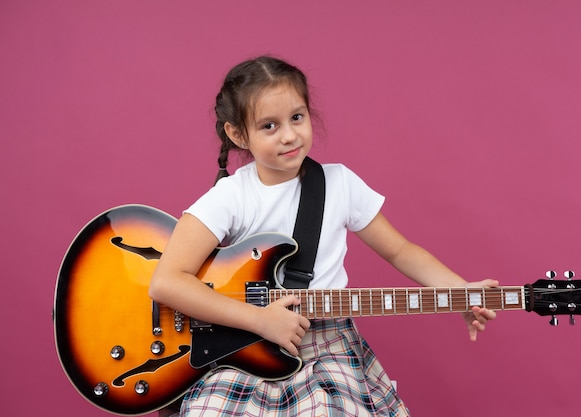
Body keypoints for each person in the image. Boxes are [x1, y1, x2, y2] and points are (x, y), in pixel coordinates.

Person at [149, 55, 498, 417]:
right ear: (238, 134)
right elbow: (167, 282)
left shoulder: (339, 184)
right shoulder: (231, 196)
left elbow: (400, 251)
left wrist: (461, 291)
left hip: (326, 348)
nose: (289, 135)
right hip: (243, 349)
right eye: (269, 125)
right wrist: (259, 320)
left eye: (297, 118)